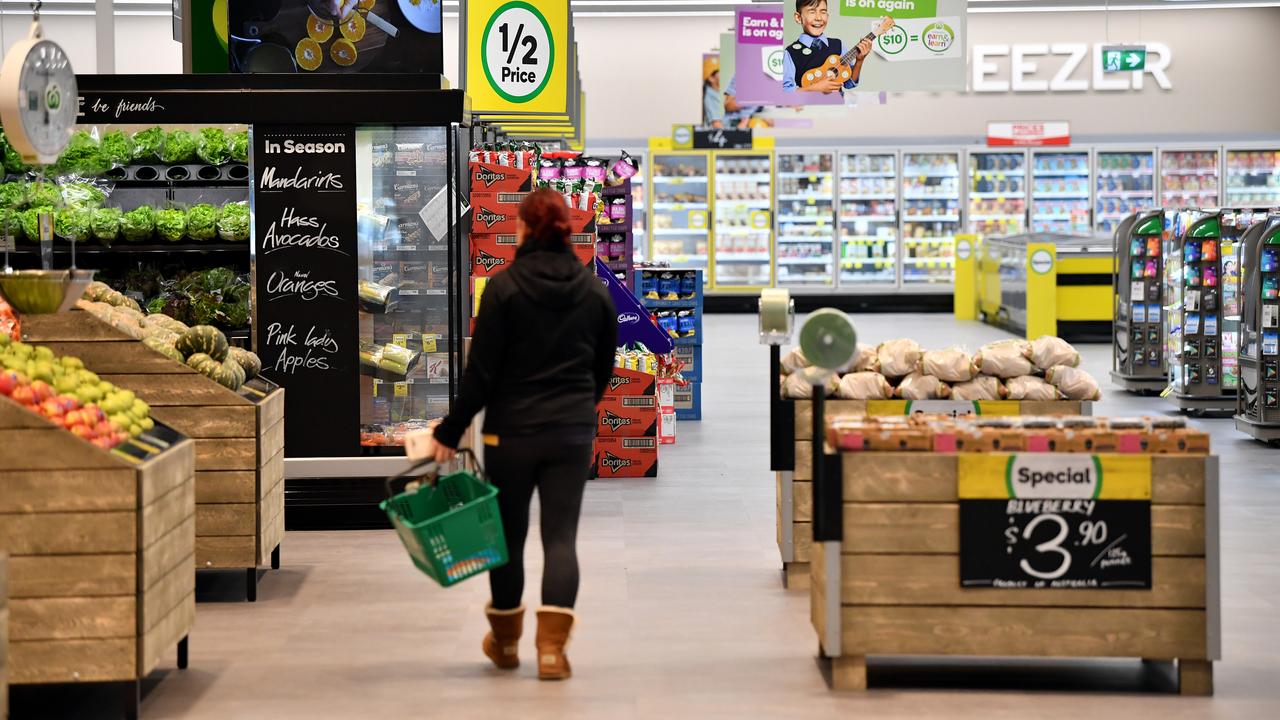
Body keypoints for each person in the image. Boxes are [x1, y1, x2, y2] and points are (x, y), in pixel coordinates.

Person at [431, 187, 618, 681]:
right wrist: (579, 410)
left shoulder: (504, 288)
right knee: (561, 538)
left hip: (509, 434)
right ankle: (553, 652)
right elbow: (604, 368)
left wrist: (450, 431)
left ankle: (508, 644)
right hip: (571, 432)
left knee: (507, 538)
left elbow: (482, 374)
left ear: (525, 228)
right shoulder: (594, 291)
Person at [782, 0, 874, 95]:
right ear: (798, 17)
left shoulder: (838, 45)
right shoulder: (790, 53)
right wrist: (815, 88)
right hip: (808, 108)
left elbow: (849, 83)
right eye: (812, 12)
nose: (818, 17)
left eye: (823, 11)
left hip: (835, 107)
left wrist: (859, 61)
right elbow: (785, 92)